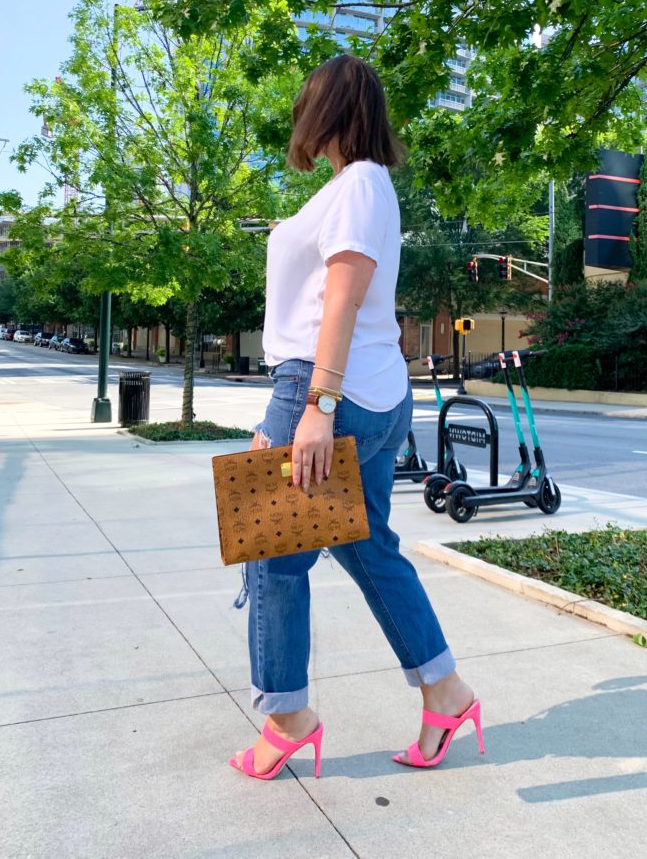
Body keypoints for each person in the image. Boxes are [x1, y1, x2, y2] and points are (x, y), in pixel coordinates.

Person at [230, 55, 483, 780]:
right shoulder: (360, 189)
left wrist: (312, 410)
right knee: (367, 546)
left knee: (274, 556)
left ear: (328, 109)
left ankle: (288, 718)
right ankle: (446, 691)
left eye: (305, 103)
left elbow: (338, 304)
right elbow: (364, 309)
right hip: (351, 391)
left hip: (324, 390)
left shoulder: (359, 186)